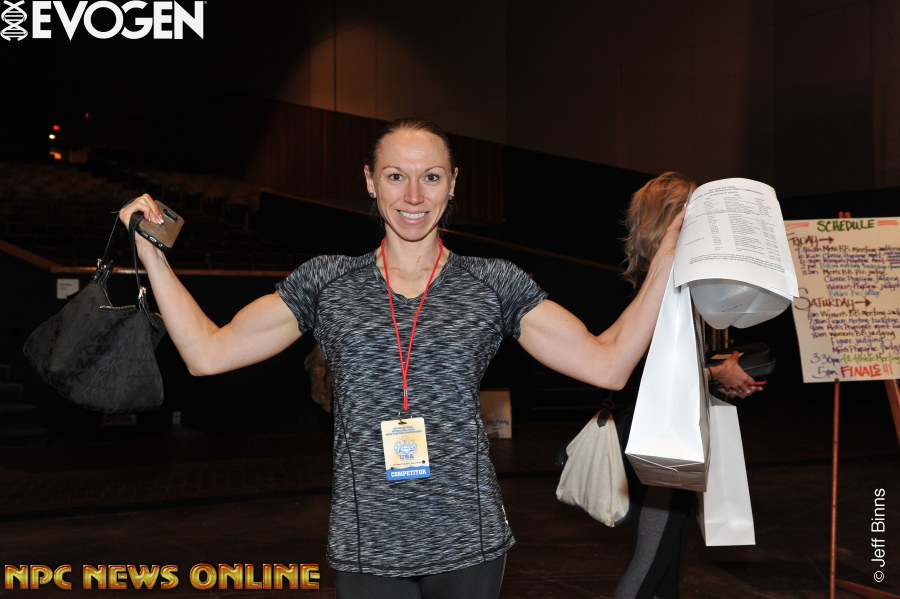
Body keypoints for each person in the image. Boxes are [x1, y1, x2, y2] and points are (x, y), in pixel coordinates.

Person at [119, 118, 684, 599]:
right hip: (365, 546)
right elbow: (207, 352)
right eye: (396, 176)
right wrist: (152, 255)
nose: (414, 196)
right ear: (370, 181)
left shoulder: (493, 284)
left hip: (468, 539)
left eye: (430, 177)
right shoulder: (326, 281)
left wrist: (665, 260)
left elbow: (607, 364)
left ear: (452, 183)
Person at [613, 171, 759, 599]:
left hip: (662, 429)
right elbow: (650, 377)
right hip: (659, 433)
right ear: (673, 217)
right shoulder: (662, 286)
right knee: (650, 561)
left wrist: (716, 375)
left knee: (668, 558)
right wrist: (718, 374)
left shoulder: (659, 281)